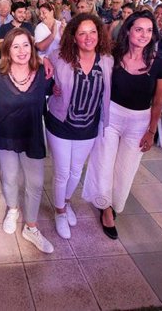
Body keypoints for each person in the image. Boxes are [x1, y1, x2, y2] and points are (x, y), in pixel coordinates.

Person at [83, 10, 162, 239]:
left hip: (140, 120)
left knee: (125, 168)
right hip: (111, 114)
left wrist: (151, 131)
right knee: (104, 163)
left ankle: (114, 203)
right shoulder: (113, 52)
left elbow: (158, 100)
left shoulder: (161, 62)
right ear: (128, 30)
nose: (144, 35)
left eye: (149, 30)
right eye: (139, 29)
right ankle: (106, 208)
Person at [45, 14, 112, 240]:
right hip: (61, 123)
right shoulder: (60, 57)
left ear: (99, 34)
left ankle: (65, 201)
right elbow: (42, 59)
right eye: (82, 33)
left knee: (76, 171)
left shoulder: (107, 60)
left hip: (89, 125)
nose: (88, 37)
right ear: (73, 37)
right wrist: (48, 75)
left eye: (92, 32)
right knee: (62, 172)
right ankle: (60, 212)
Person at [0, 27, 54, 253]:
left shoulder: (44, 72)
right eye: (15, 46)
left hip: (32, 135)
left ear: (32, 46)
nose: (21, 50)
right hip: (4, 135)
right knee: (10, 177)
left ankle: (31, 227)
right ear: (7, 50)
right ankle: (13, 209)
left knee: (35, 183)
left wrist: (48, 58)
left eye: (26, 44)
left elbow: (61, 86)